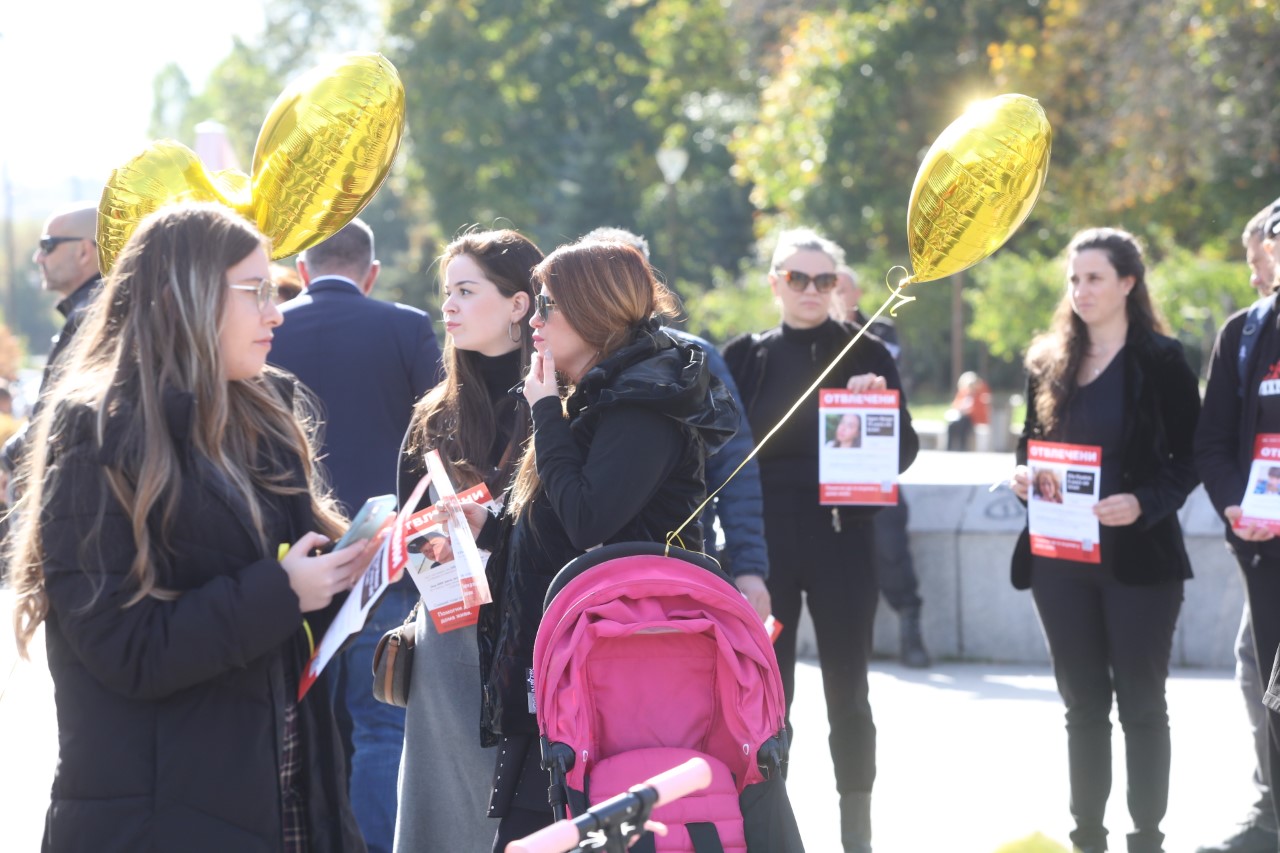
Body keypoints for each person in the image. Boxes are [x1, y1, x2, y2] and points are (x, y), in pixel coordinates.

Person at [6, 202, 375, 851]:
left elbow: (302, 591)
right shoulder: (97, 437)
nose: (277, 311)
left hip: (287, 801)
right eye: (255, 291)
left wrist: (376, 553)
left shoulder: (263, 411)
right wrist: (284, 591)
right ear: (188, 294)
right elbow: (126, 649)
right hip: (158, 822)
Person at [475, 238, 738, 849]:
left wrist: (545, 413)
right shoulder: (603, 391)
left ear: (591, 313)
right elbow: (562, 523)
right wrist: (488, 530)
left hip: (619, 664)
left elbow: (590, 518)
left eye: (547, 306)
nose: (532, 319)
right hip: (581, 656)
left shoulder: (640, 403)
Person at [723, 228, 919, 853]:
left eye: (825, 280)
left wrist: (880, 407)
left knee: (848, 688)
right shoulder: (745, 357)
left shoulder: (866, 352)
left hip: (845, 540)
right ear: (776, 282)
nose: (812, 290)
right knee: (768, 694)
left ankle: (855, 834)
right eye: (798, 278)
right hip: (764, 547)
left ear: (839, 286)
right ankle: (773, 828)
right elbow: (716, 449)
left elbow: (904, 453)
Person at [1009, 227, 1201, 853]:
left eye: (1094, 278)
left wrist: (1143, 501)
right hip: (1059, 561)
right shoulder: (1045, 360)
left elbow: (1190, 457)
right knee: (1083, 707)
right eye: (1074, 278)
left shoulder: (1164, 360)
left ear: (1128, 283)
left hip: (1138, 560)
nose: (1080, 289)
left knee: (1142, 705)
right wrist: (1020, 478)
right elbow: (1028, 450)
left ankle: (1147, 839)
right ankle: (1087, 839)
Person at [267, 218, 441, 853]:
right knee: (379, 725)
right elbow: (438, 434)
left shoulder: (270, 329)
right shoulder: (405, 327)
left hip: (294, 557)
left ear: (304, 270)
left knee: (307, 720)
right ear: (370, 273)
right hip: (384, 552)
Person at [393, 229, 543, 853]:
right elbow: (409, 538)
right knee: (446, 818)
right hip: (451, 639)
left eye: (465, 291)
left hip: (536, 641)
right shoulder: (435, 411)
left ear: (519, 304)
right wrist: (433, 540)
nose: (448, 307)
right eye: (445, 292)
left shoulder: (560, 398)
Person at [582, 226, 771, 620]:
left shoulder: (692, 360)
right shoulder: (560, 363)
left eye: (633, 279)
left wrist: (749, 568)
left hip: (677, 564)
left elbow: (734, 467)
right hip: (582, 576)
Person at [1196, 200, 1280, 853]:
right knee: (1260, 672)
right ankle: (1271, 809)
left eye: (1259, 260)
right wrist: (1235, 505)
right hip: (1263, 547)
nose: (1256, 277)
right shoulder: (1245, 333)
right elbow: (1214, 444)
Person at [832, 265, 931, 668]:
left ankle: (910, 627)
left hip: (873, 460)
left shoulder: (879, 334)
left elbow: (890, 376)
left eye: (835, 286)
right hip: (829, 462)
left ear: (854, 294)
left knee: (891, 546)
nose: (827, 293)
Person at [3, 202, 104, 484]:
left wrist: (9, 460)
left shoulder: (93, 316)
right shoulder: (96, 309)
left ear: (84, 251)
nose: (38, 257)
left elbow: (55, 417)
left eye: (47, 245)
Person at [946, 370, 992, 451]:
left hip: (974, 419)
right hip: (962, 417)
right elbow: (955, 405)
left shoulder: (980, 394)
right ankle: (950, 448)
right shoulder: (964, 392)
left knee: (964, 423)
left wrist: (968, 411)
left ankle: (962, 448)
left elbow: (979, 410)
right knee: (951, 426)